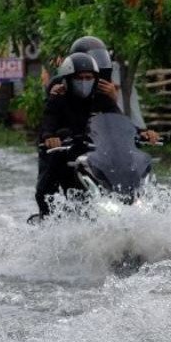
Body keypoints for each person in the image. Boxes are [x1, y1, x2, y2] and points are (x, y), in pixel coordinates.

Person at [32, 52, 121, 218]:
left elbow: (118, 120)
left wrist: (142, 133)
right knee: (45, 191)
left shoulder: (103, 96)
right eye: (80, 78)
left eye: (89, 78)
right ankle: (47, 223)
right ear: (69, 77)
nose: (84, 82)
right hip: (66, 156)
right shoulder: (58, 94)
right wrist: (50, 137)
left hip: (98, 157)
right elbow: (48, 120)